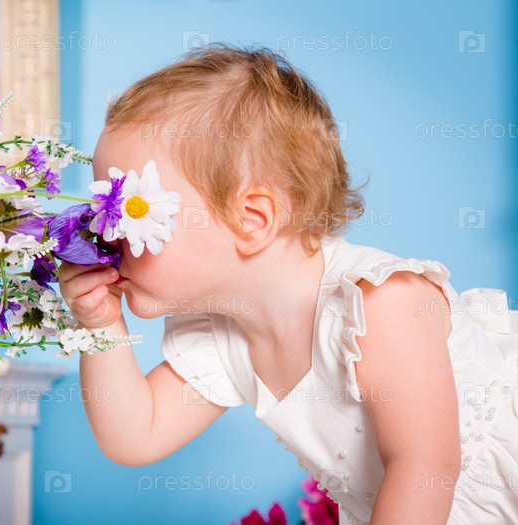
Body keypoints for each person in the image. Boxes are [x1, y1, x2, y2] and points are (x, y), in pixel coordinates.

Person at [58, 45, 518, 525]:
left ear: (252, 219)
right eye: (105, 209)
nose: (104, 235)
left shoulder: (379, 304)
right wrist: (100, 324)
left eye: (132, 213)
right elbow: (136, 436)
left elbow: (425, 468)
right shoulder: (225, 335)